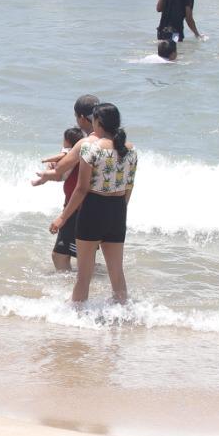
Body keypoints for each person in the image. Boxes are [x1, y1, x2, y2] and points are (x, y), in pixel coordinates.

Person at [50, 103, 137, 304]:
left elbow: (81, 189)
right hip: (118, 210)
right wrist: (119, 211)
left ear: (98, 123)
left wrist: (62, 218)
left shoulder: (91, 148)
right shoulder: (131, 150)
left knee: (84, 276)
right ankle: (123, 314)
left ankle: (77, 316)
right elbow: (129, 187)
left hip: (93, 210)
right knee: (117, 273)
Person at [31, 94, 100, 192]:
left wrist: (47, 171)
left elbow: (59, 169)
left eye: (76, 116)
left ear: (82, 118)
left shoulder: (85, 143)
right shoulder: (110, 139)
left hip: (82, 198)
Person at [41, 127, 85, 271]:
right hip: (76, 207)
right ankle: (89, 279)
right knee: (83, 255)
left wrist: (62, 218)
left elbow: (59, 172)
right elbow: (62, 174)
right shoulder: (84, 151)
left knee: (60, 255)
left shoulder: (73, 153)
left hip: (75, 209)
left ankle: (69, 283)